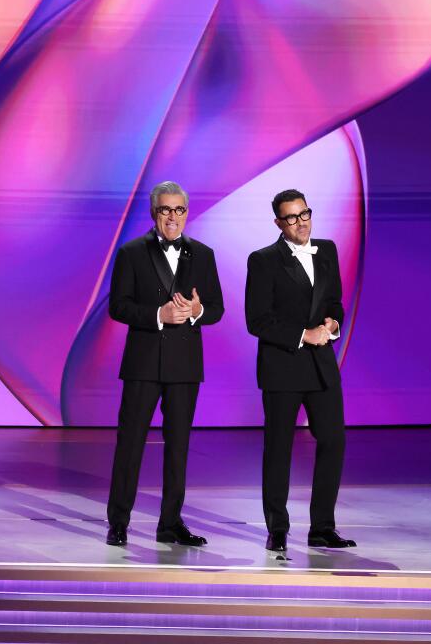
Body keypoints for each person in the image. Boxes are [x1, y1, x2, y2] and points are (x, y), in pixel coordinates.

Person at [104, 181, 224, 546]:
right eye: (166, 210)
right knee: (131, 444)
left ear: (187, 213)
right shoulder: (132, 252)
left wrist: (197, 310)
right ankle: (119, 522)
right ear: (155, 212)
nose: (173, 217)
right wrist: (160, 313)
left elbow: (216, 308)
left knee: (179, 446)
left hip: (185, 365)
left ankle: (170, 523)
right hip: (143, 363)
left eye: (179, 210)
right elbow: (118, 306)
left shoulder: (202, 254)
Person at [244, 189, 356, 553]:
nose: (301, 222)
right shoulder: (263, 260)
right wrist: (303, 335)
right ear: (279, 223)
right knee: (278, 449)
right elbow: (257, 320)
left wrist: (332, 325)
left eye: (304, 214)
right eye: (291, 218)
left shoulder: (327, 250)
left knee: (333, 441)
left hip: (321, 365)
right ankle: (277, 527)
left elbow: (335, 302)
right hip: (283, 366)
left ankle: (322, 526)